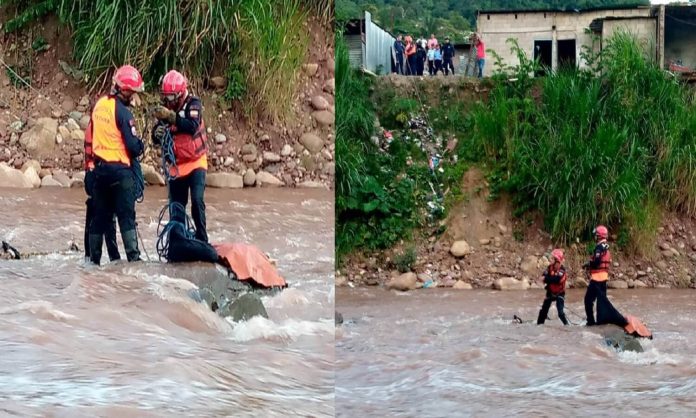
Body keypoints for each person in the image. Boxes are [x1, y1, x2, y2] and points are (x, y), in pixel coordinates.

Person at [87, 65, 145, 265]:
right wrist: (141, 145)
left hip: (100, 171)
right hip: (120, 172)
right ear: (126, 90)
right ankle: (134, 260)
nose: (134, 97)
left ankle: (93, 262)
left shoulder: (99, 105)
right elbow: (133, 146)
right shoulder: (124, 114)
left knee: (99, 218)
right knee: (126, 217)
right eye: (134, 92)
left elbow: (92, 135)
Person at [152, 70, 209, 243]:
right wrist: (157, 133)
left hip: (195, 162)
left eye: (171, 97)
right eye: (166, 97)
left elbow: (191, 126)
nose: (168, 101)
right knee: (176, 206)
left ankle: (202, 238)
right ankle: (177, 240)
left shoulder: (194, 104)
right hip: (176, 166)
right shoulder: (166, 109)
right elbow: (154, 137)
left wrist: (171, 117)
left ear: (180, 94)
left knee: (197, 201)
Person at [83, 121, 121, 264]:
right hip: (98, 175)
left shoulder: (96, 125)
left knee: (99, 215)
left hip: (96, 174)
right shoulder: (98, 127)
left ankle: (93, 258)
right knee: (102, 215)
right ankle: (109, 257)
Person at [583, 225, 611, 326]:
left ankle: (590, 322)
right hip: (604, 280)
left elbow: (597, 262)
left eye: (596, 235)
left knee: (588, 301)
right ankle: (601, 323)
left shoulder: (599, 247)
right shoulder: (606, 247)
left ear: (599, 236)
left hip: (596, 280)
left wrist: (588, 264)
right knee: (601, 303)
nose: (594, 237)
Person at [537, 249, 569, 325]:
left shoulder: (562, 270)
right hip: (550, 292)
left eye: (553, 258)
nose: (551, 260)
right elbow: (544, 274)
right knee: (543, 311)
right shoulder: (550, 267)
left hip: (560, 294)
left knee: (560, 313)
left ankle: (567, 325)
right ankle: (539, 325)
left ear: (557, 260)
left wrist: (545, 279)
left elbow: (557, 280)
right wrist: (544, 278)